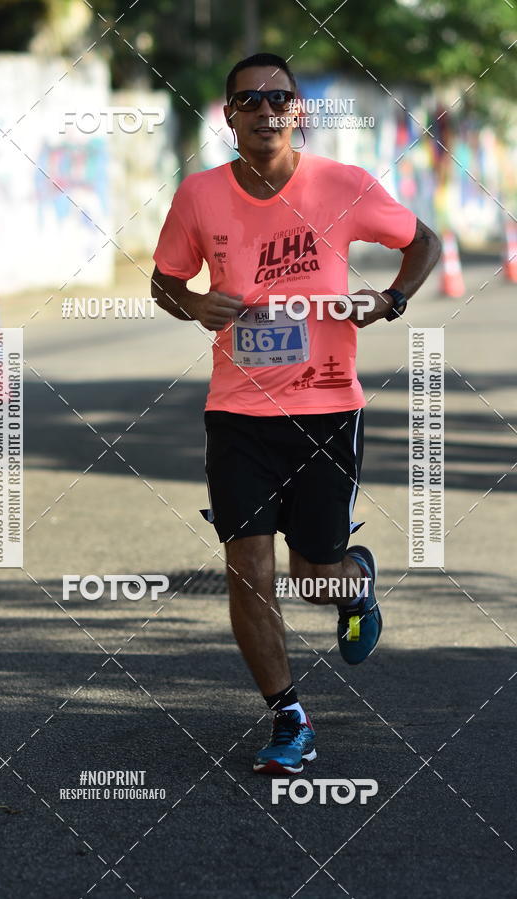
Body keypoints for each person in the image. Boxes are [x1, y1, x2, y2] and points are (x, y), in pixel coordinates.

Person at [150, 53, 441, 775]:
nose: (265, 110)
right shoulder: (199, 195)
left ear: (298, 109)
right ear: (229, 116)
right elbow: (165, 280)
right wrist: (193, 303)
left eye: (278, 98)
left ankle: (354, 582)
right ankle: (289, 716)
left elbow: (424, 242)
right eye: (248, 100)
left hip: (327, 407)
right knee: (248, 566)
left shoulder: (342, 184)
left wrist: (391, 299)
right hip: (238, 412)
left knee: (313, 576)